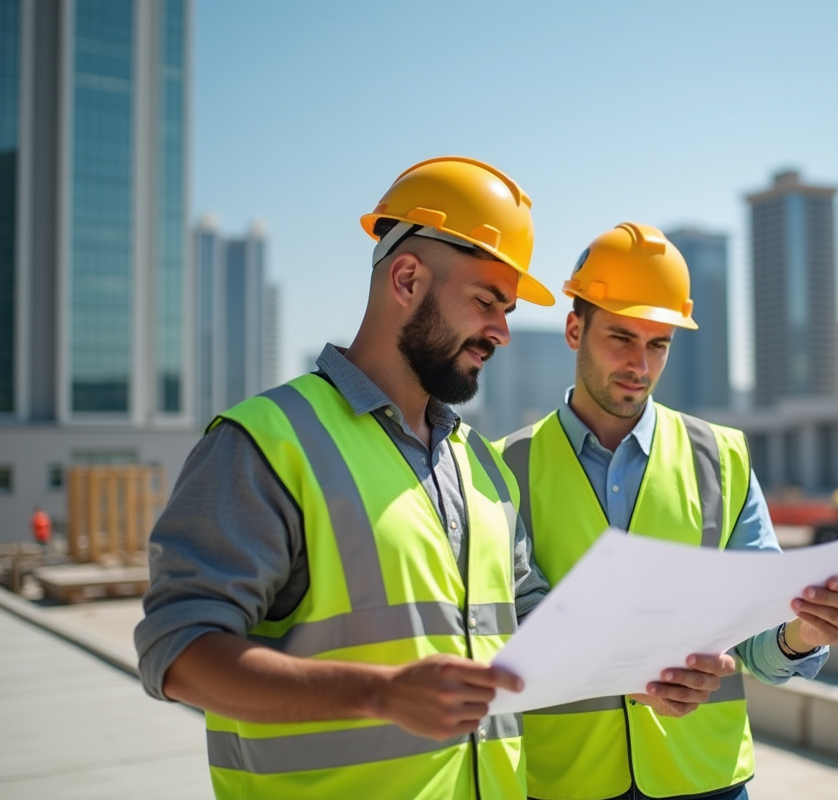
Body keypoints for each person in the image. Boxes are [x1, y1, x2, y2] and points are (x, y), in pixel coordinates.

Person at [136, 157, 560, 799]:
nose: (501, 332)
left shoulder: (481, 465)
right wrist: (380, 693)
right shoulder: (267, 443)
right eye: (485, 302)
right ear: (408, 278)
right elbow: (179, 651)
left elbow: (529, 626)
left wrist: (640, 666)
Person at [497, 222, 838, 800]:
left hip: (706, 781)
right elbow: (510, 631)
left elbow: (758, 644)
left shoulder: (722, 458)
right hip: (564, 782)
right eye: (621, 338)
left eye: (658, 344)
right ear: (575, 329)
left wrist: (801, 632)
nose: (639, 366)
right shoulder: (505, 468)